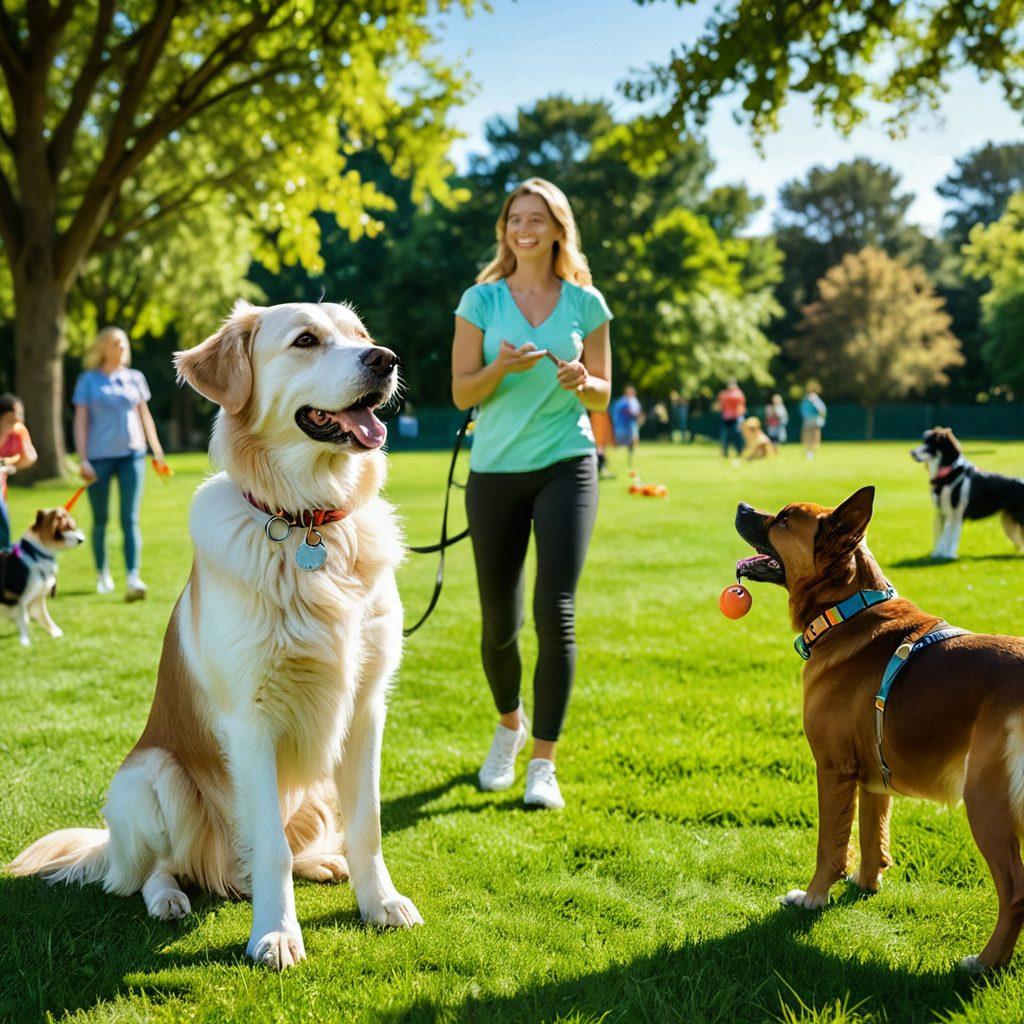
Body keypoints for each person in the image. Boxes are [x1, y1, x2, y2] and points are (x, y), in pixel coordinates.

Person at [451, 177, 612, 810]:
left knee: (556, 610)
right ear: (506, 230)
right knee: (500, 624)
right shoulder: (482, 301)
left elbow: (603, 393)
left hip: (567, 463)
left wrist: (582, 380)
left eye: (537, 218)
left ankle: (542, 763)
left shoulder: (586, 304)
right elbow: (463, 391)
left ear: (557, 228)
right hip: (493, 470)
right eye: (516, 218)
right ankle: (509, 724)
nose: (525, 227)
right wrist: (501, 368)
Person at [72, 326, 166, 600]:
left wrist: (156, 449)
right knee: (100, 519)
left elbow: (145, 416)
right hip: (98, 458)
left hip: (132, 455)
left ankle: (132, 576)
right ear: (103, 347)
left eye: (124, 343)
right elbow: (80, 422)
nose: (122, 348)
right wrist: (83, 459)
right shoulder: (88, 381)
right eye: (116, 343)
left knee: (130, 519)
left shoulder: (135, 378)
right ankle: (102, 574)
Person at [0, 393, 38, 549]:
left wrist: (11, 465)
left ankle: (5, 558)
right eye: (19, 413)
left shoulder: (18, 432)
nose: (22, 418)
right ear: (8, 415)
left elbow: (30, 457)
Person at [610, 384, 643, 468]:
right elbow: (632, 412)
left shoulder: (629, 401)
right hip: (623, 428)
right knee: (619, 444)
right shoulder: (624, 402)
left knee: (631, 444)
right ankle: (608, 462)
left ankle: (629, 461)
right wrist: (638, 417)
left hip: (628, 427)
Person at [715, 378, 746, 459]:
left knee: (737, 435)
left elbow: (740, 407)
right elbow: (721, 405)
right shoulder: (724, 394)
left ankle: (740, 451)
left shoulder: (737, 394)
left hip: (736, 418)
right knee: (726, 436)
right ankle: (725, 452)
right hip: (727, 418)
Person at [799, 386, 827, 459]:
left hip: (814, 420)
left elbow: (822, 410)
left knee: (815, 437)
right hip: (808, 420)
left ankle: (812, 452)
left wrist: (821, 418)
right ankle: (808, 451)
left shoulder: (815, 400)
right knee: (807, 436)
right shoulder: (806, 400)